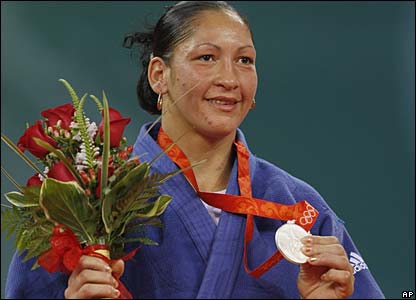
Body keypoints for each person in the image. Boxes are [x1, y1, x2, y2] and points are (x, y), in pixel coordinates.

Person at [5, 1, 385, 299]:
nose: (229, 79)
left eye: (245, 61)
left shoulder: (299, 207)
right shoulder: (83, 199)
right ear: (159, 75)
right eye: (206, 57)